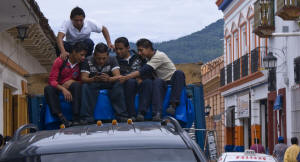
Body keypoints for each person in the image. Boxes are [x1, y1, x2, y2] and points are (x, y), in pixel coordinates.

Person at [119, 38, 186, 121]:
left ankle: (173, 105)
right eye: (138, 51)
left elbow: (143, 71)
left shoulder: (159, 56)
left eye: (141, 50)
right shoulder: (146, 59)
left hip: (172, 80)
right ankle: (155, 113)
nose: (139, 53)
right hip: (160, 82)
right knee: (154, 82)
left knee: (179, 73)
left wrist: (126, 77)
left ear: (149, 48)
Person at [80, 43, 128, 123]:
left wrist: (109, 79)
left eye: (104, 58)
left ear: (108, 55)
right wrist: (93, 79)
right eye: (98, 58)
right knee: (85, 86)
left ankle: (121, 115)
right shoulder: (88, 60)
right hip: (94, 82)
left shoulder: (112, 59)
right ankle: (87, 118)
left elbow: (118, 76)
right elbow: (83, 78)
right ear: (94, 55)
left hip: (108, 82)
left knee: (118, 84)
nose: (101, 61)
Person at [44, 42, 87, 127]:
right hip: (59, 87)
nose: (83, 58)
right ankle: (61, 117)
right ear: (74, 52)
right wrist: (63, 89)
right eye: (81, 55)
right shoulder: (60, 61)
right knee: (48, 89)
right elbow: (52, 80)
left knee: (77, 86)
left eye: (84, 55)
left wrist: (72, 81)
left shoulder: (82, 64)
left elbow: (83, 80)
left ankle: (76, 118)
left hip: (73, 87)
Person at [114, 37, 152, 120]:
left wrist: (141, 77)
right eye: (116, 49)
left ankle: (142, 113)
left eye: (121, 49)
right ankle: (132, 114)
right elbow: (118, 76)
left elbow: (148, 69)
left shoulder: (139, 57)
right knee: (130, 82)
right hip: (128, 84)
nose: (118, 51)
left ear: (128, 48)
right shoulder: (115, 61)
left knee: (148, 82)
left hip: (141, 83)